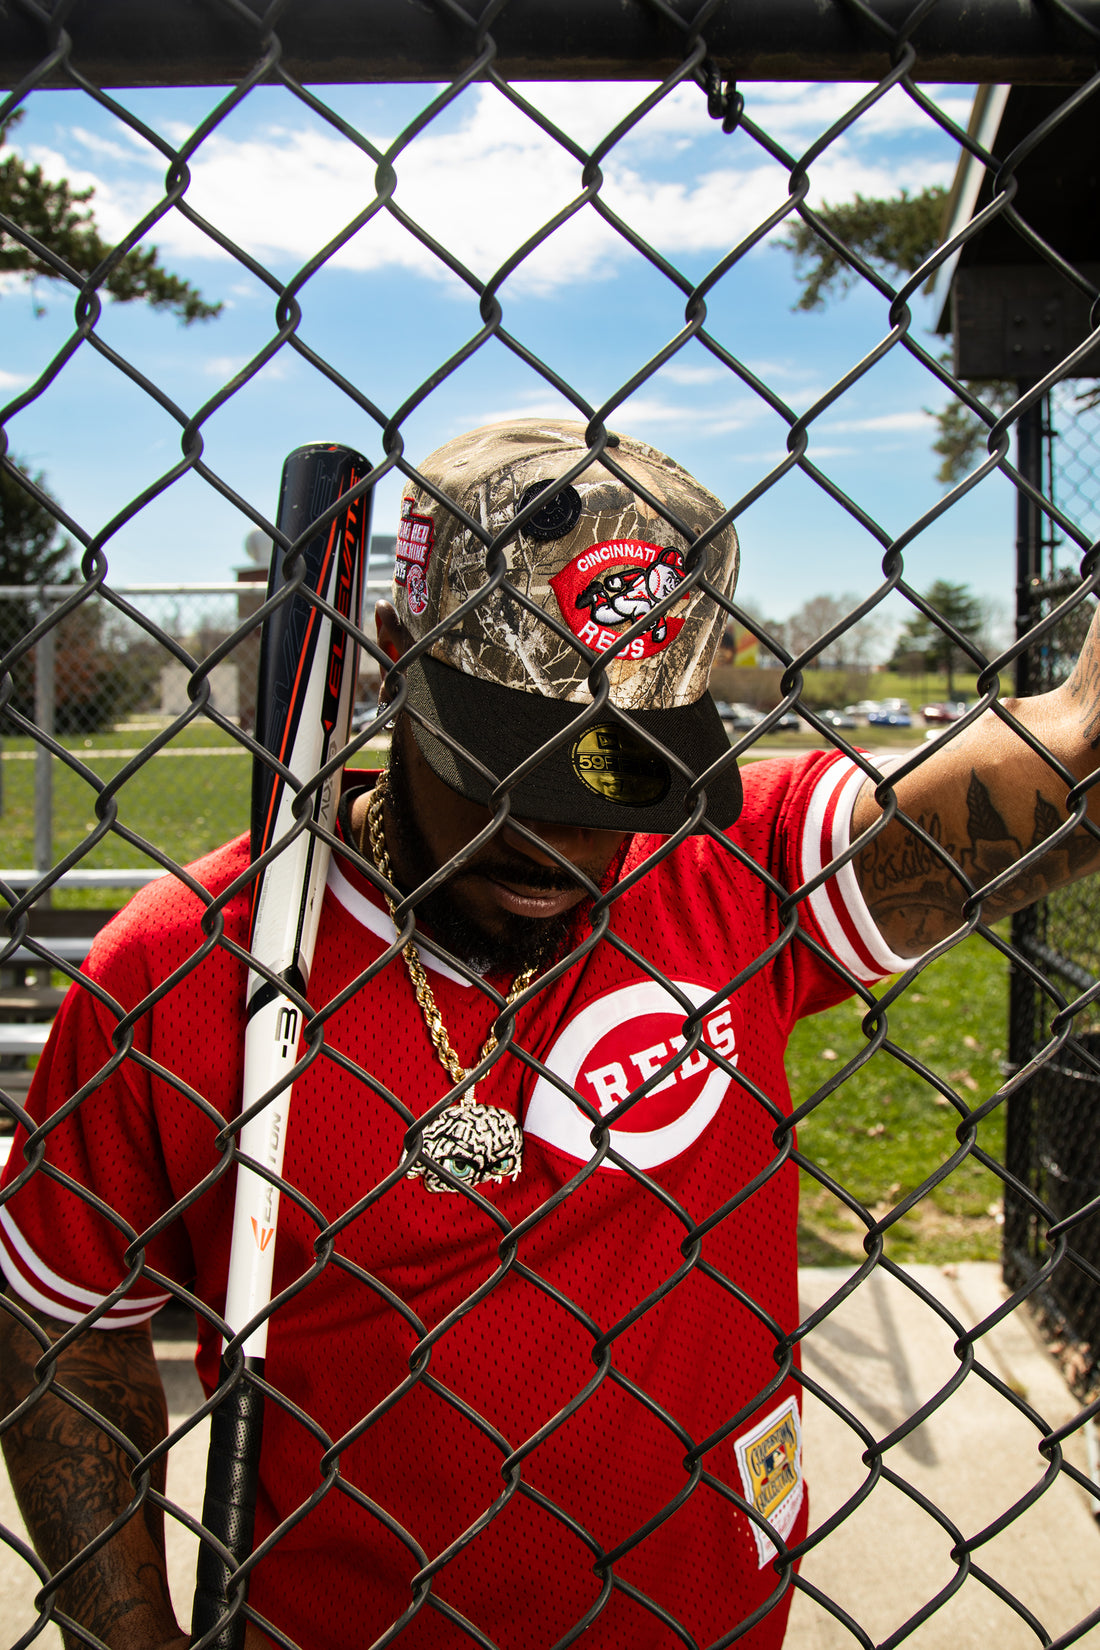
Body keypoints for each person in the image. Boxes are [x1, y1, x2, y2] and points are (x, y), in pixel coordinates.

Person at [1, 418, 1098, 1650]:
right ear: (395, 654)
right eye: (509, 764)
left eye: (619, 780)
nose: (560, 844)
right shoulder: (185, 968)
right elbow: (58, 1321)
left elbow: (1079, 761)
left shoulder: (740, 876)